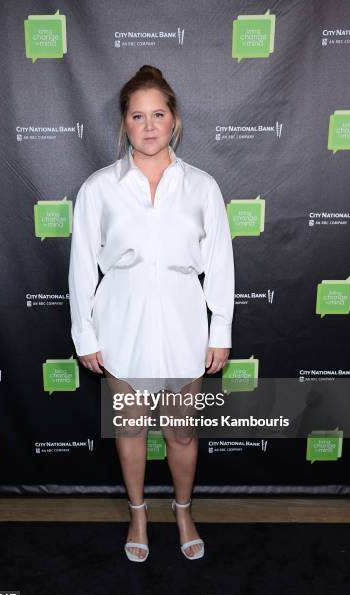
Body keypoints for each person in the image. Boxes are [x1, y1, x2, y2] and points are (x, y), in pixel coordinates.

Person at [68, 65, 235, 562]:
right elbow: (81, 265)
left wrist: (220, 328)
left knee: (182, 431)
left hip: (185, 325)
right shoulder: (99, 188)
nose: (148, 125)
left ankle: (183, 509)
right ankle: (138, 511)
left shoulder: (202, 186)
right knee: (132, 428)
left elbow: (220, 262)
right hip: (121, 326)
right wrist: (85, 333)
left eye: (157, 114)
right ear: (124, 124)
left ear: (174, 120)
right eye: (137, 115)